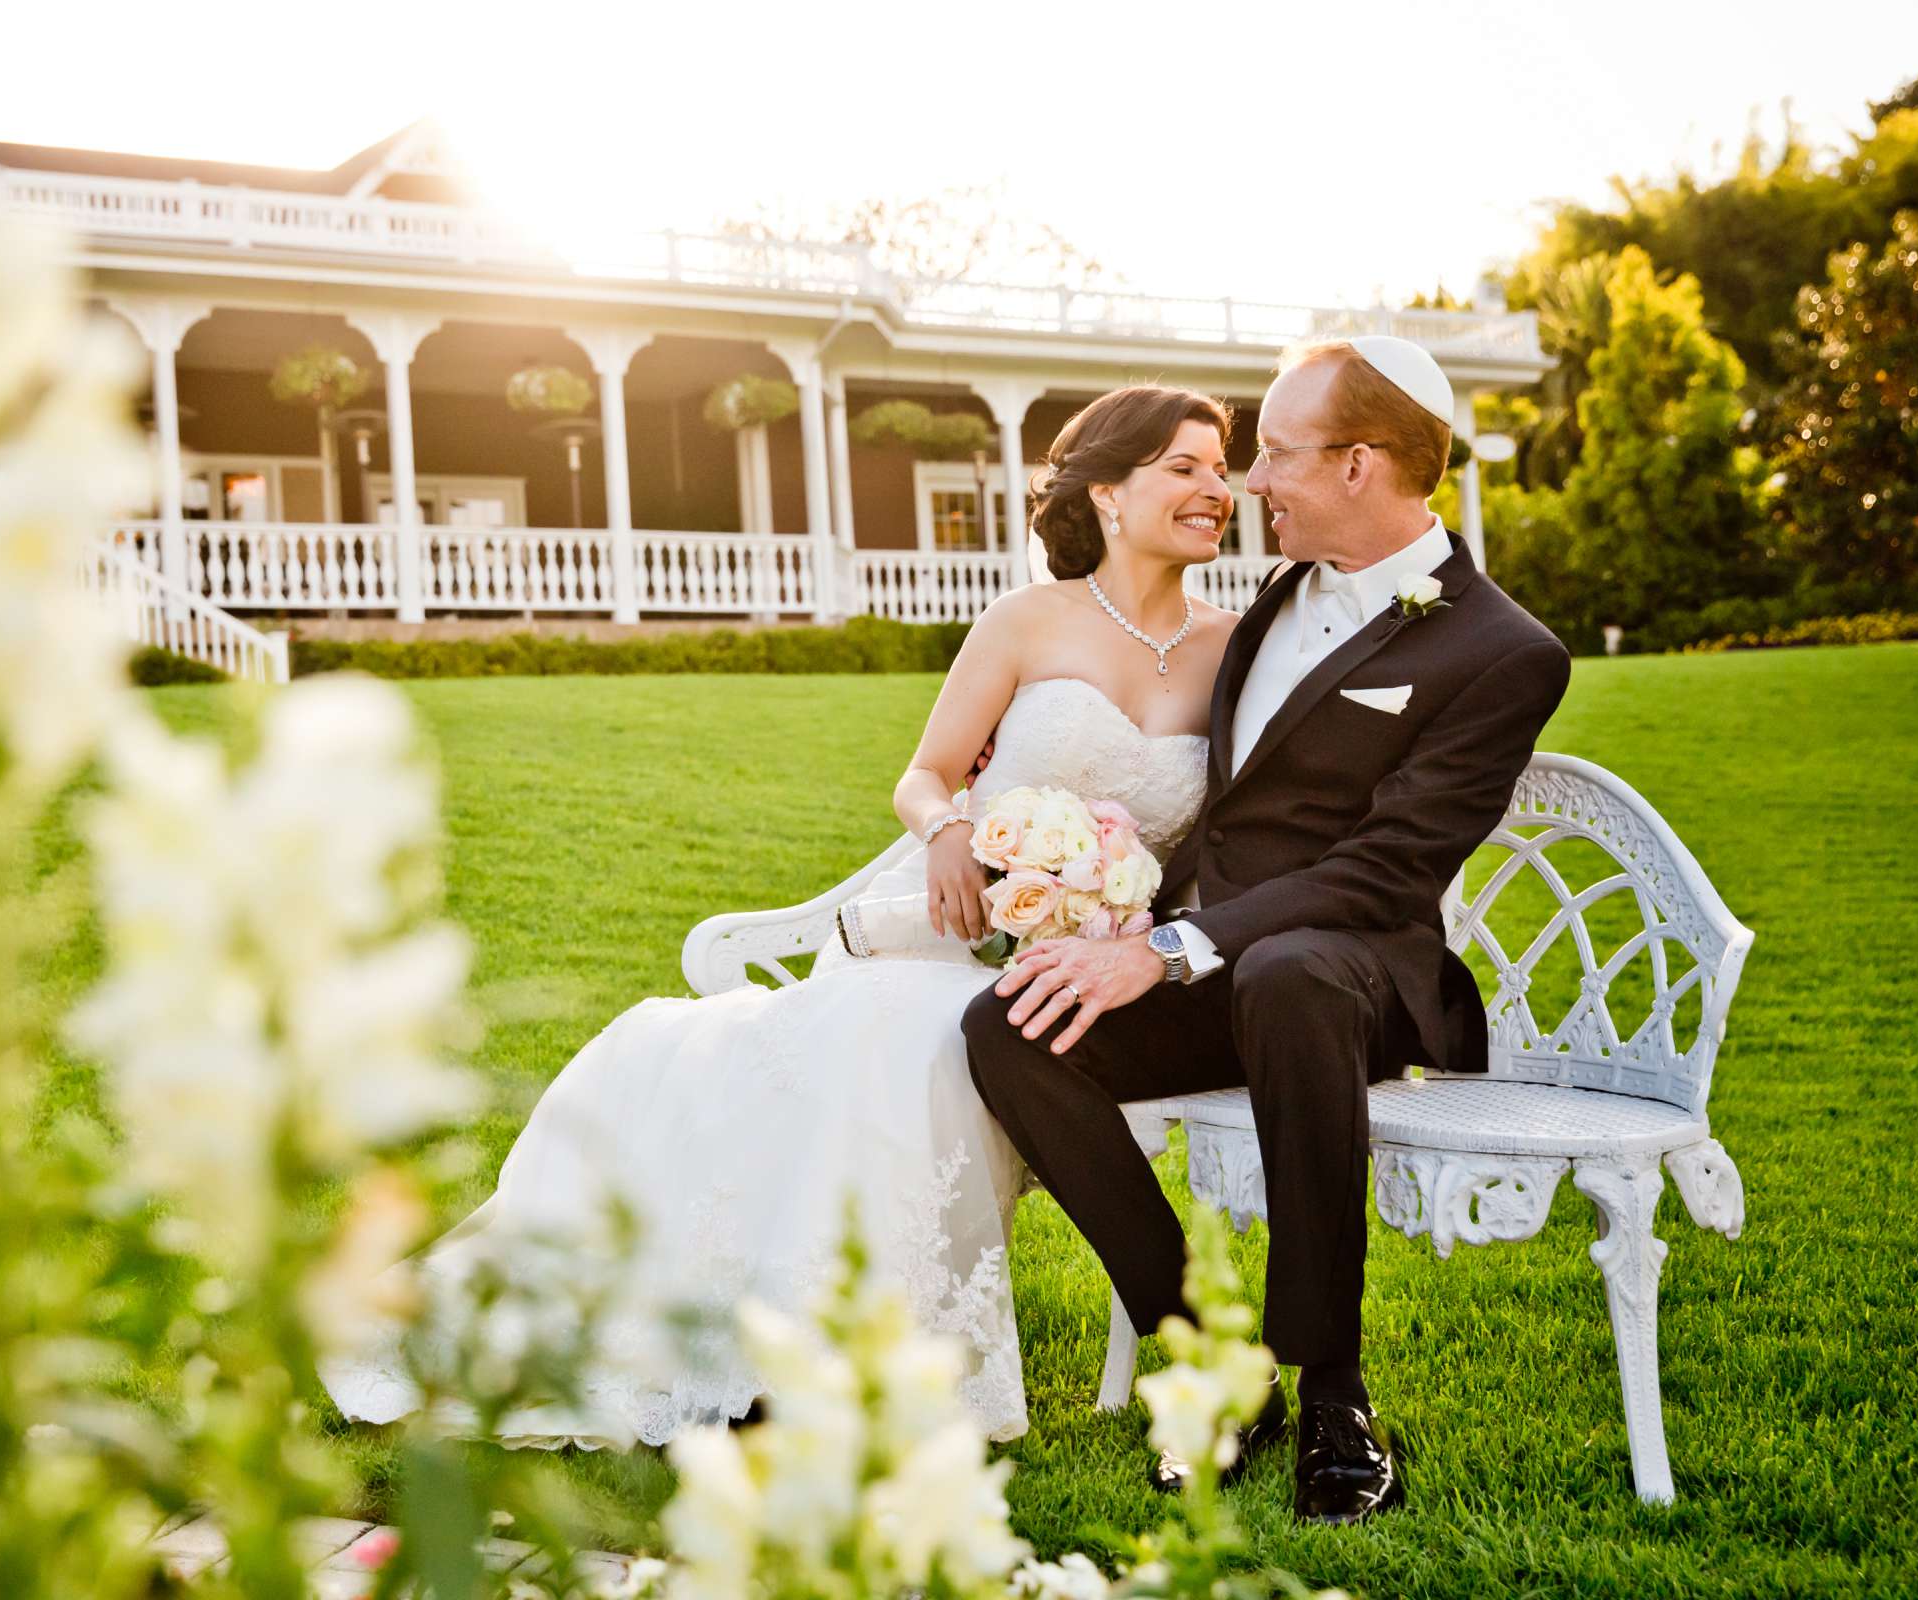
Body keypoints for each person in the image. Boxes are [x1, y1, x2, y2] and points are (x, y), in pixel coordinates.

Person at [321, 384, 1240, 1448]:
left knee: (939, 1043)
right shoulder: (1027, 621)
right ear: (1111, 493)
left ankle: (838, 1352)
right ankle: (786, 1357)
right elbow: (925, 774)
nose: (1215, 489)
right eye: (1186, 466)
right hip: (960, 936)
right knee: (895, 1034)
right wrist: (947, 829)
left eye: (1222, 468)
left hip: (1107, 974)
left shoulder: (1234, 649)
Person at [962, 336, 1572, 1524]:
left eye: (1277, 455)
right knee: (1013, 1023)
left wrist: (1173, 949)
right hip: (1221, 960)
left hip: (1362, 973)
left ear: (1358, 465)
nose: (1250, 484)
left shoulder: (1505, 651)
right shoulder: (1276, 600)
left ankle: (1335, 1391)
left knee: (1291, 972)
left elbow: (1387, 865)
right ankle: (1209, 1361)